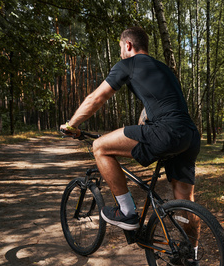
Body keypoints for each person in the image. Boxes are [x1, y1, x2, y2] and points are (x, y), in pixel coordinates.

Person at [61, 26, 200, 232]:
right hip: (189, 134)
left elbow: (97, 98)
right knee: (185, 202)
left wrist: (72, 125)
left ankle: (127, 212)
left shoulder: (128, 64)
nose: (120, 53)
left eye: (120, 47)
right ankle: (190, 258)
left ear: (128, 45)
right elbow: (153, 105)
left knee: (99, 146)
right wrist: (142, 126)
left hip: (165, 132)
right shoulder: (163, 69)